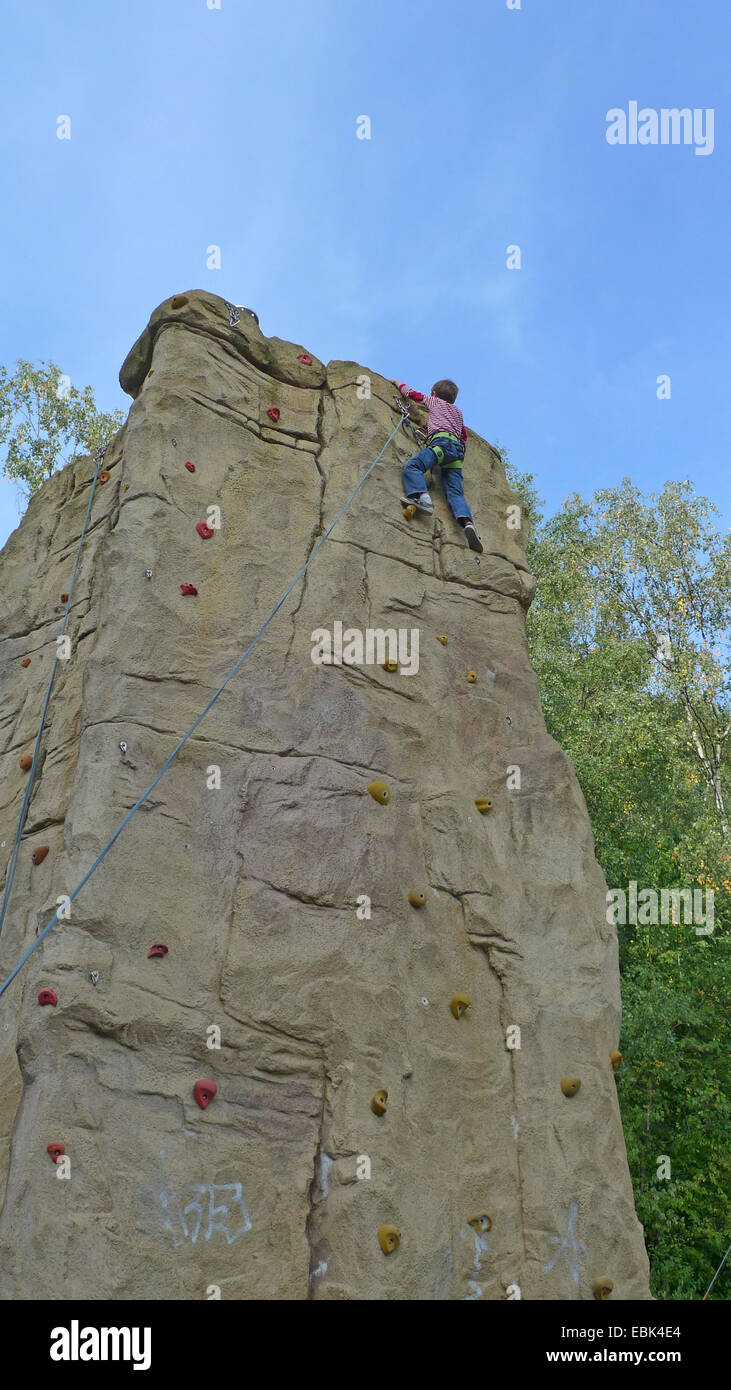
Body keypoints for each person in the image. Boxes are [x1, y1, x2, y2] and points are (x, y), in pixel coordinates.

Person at [392, 377, 483, 553]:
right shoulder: (458, 413)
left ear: (434, 393)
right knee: (455, 492)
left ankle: (422, 499)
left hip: (441, 444)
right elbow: (464, 436)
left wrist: (396, 382)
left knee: (414, 466)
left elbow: (411, 394)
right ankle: (468, 524)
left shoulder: (434, 401)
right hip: (457, 454)